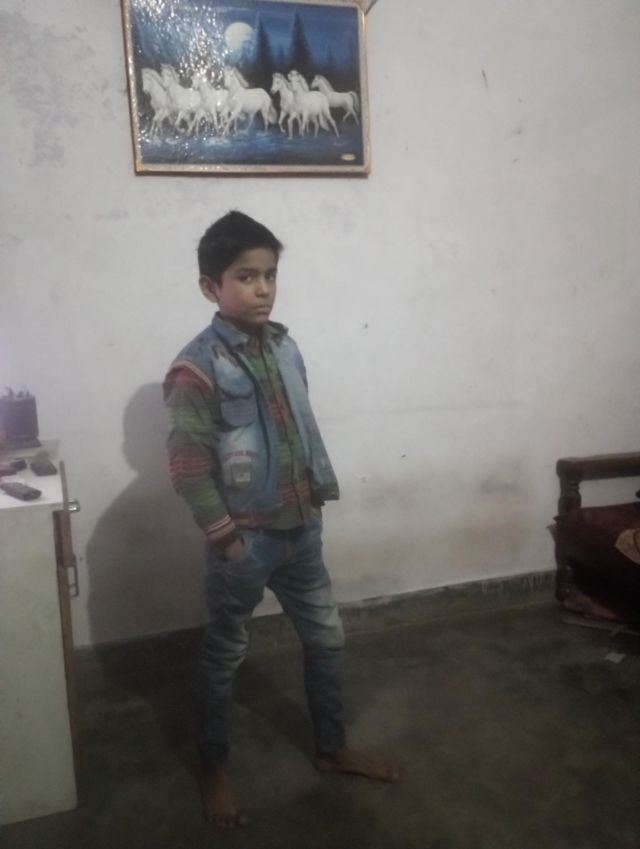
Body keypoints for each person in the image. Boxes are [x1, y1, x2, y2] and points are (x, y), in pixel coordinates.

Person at [163, 210, 398, 829]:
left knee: (327, 638)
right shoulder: (196, 367)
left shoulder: (286, 346)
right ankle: (213, 767)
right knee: (224, 656)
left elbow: (297, 433)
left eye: (270, 275)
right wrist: (227, 540)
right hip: (245, 541)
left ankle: (331, 747)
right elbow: (188, 467)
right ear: (210, 286)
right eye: (246, 277)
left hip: (300, 530)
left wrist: (312, 503)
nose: (263, 288)